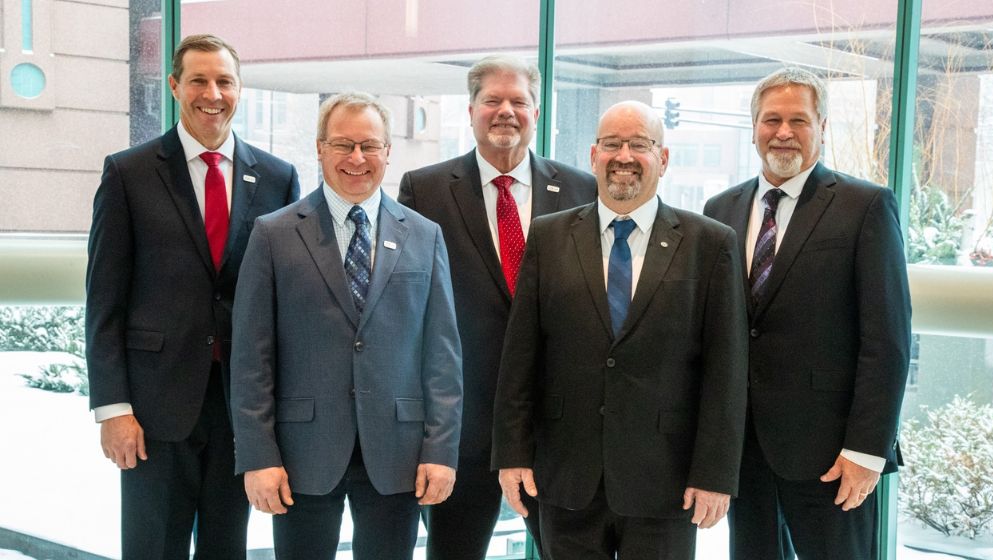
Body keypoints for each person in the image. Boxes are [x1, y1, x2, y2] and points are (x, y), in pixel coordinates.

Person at [491, 100, 748, 560]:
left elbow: (726, 371)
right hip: (566, 476)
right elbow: (520, 357)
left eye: (639, 145)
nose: (623, 156)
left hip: (666, 481)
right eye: (611, 144)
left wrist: (715, 475)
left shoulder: (709, 243)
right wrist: (512, 454)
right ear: (594, 156)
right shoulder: (548, 237)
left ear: (662, 159)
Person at [85, 33, 299, 560]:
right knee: (153, 549)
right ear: (175, 86)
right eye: (199, 80)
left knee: (227, 549)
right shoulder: (129, 173)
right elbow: (104, 303)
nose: (213, 93)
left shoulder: (278, 178)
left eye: (224, 81)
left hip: (241, 408)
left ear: (240, 89)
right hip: (152, 409)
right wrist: (112, 408)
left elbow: (288, 306)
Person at [229, 92, 463, 560]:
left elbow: (443, 355)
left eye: (369, 145)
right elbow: (252, 357)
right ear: (320, 148)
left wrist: (441, 450)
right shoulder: (274, 234)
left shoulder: (425, 234)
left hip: (398, 454)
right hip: (301, 455)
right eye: (343, 144)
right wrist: (258, 456)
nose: (357, 158)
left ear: (387, 152)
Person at [703, 67, 911, 560]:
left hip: (832, 457)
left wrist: (866, 451)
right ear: (754, 127)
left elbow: (887, 341)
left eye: (798, 120)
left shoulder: (866, 206)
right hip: (743, 455)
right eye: (771, 119)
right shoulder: (719, 210)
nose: (783, 132)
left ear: (822, 127)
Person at [397, 54, 596, 559]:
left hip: (554, 427)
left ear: (536, 112)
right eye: (492, 100)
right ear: (470, 111)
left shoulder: (581, 189)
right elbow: (410, 312)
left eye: (519, 101)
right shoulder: (425, 189)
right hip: (462, 427)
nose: (506, 111)